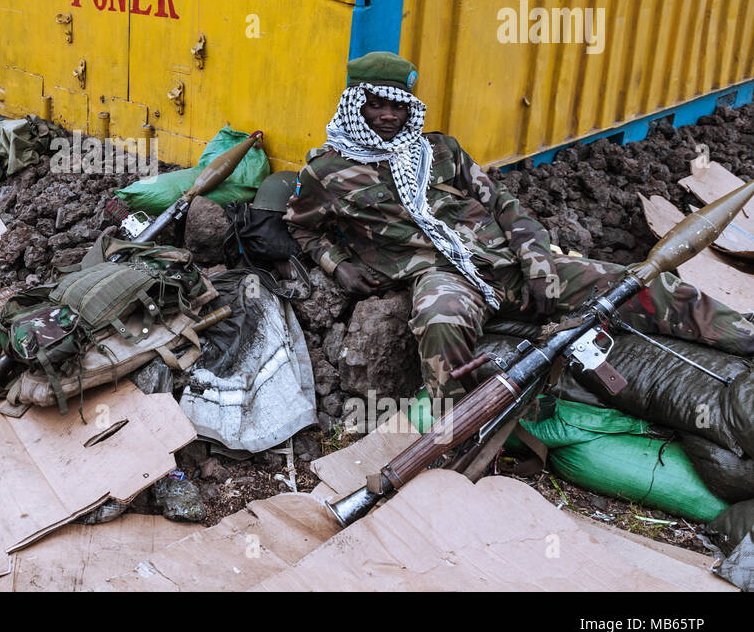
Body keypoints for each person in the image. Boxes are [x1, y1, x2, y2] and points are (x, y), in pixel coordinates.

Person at [285, 51, 754, 399]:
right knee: (440, 319)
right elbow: (301, 228)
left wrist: (536, 264)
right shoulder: (326, 172)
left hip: (511, 262)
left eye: (399, 106)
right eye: (376, 104)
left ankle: (743, 336)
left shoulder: (440, 150)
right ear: (354, 104)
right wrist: (337, 265)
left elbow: (506, 204)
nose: (389, 115)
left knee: (640, 285)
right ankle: (462, 424)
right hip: (445, 276)